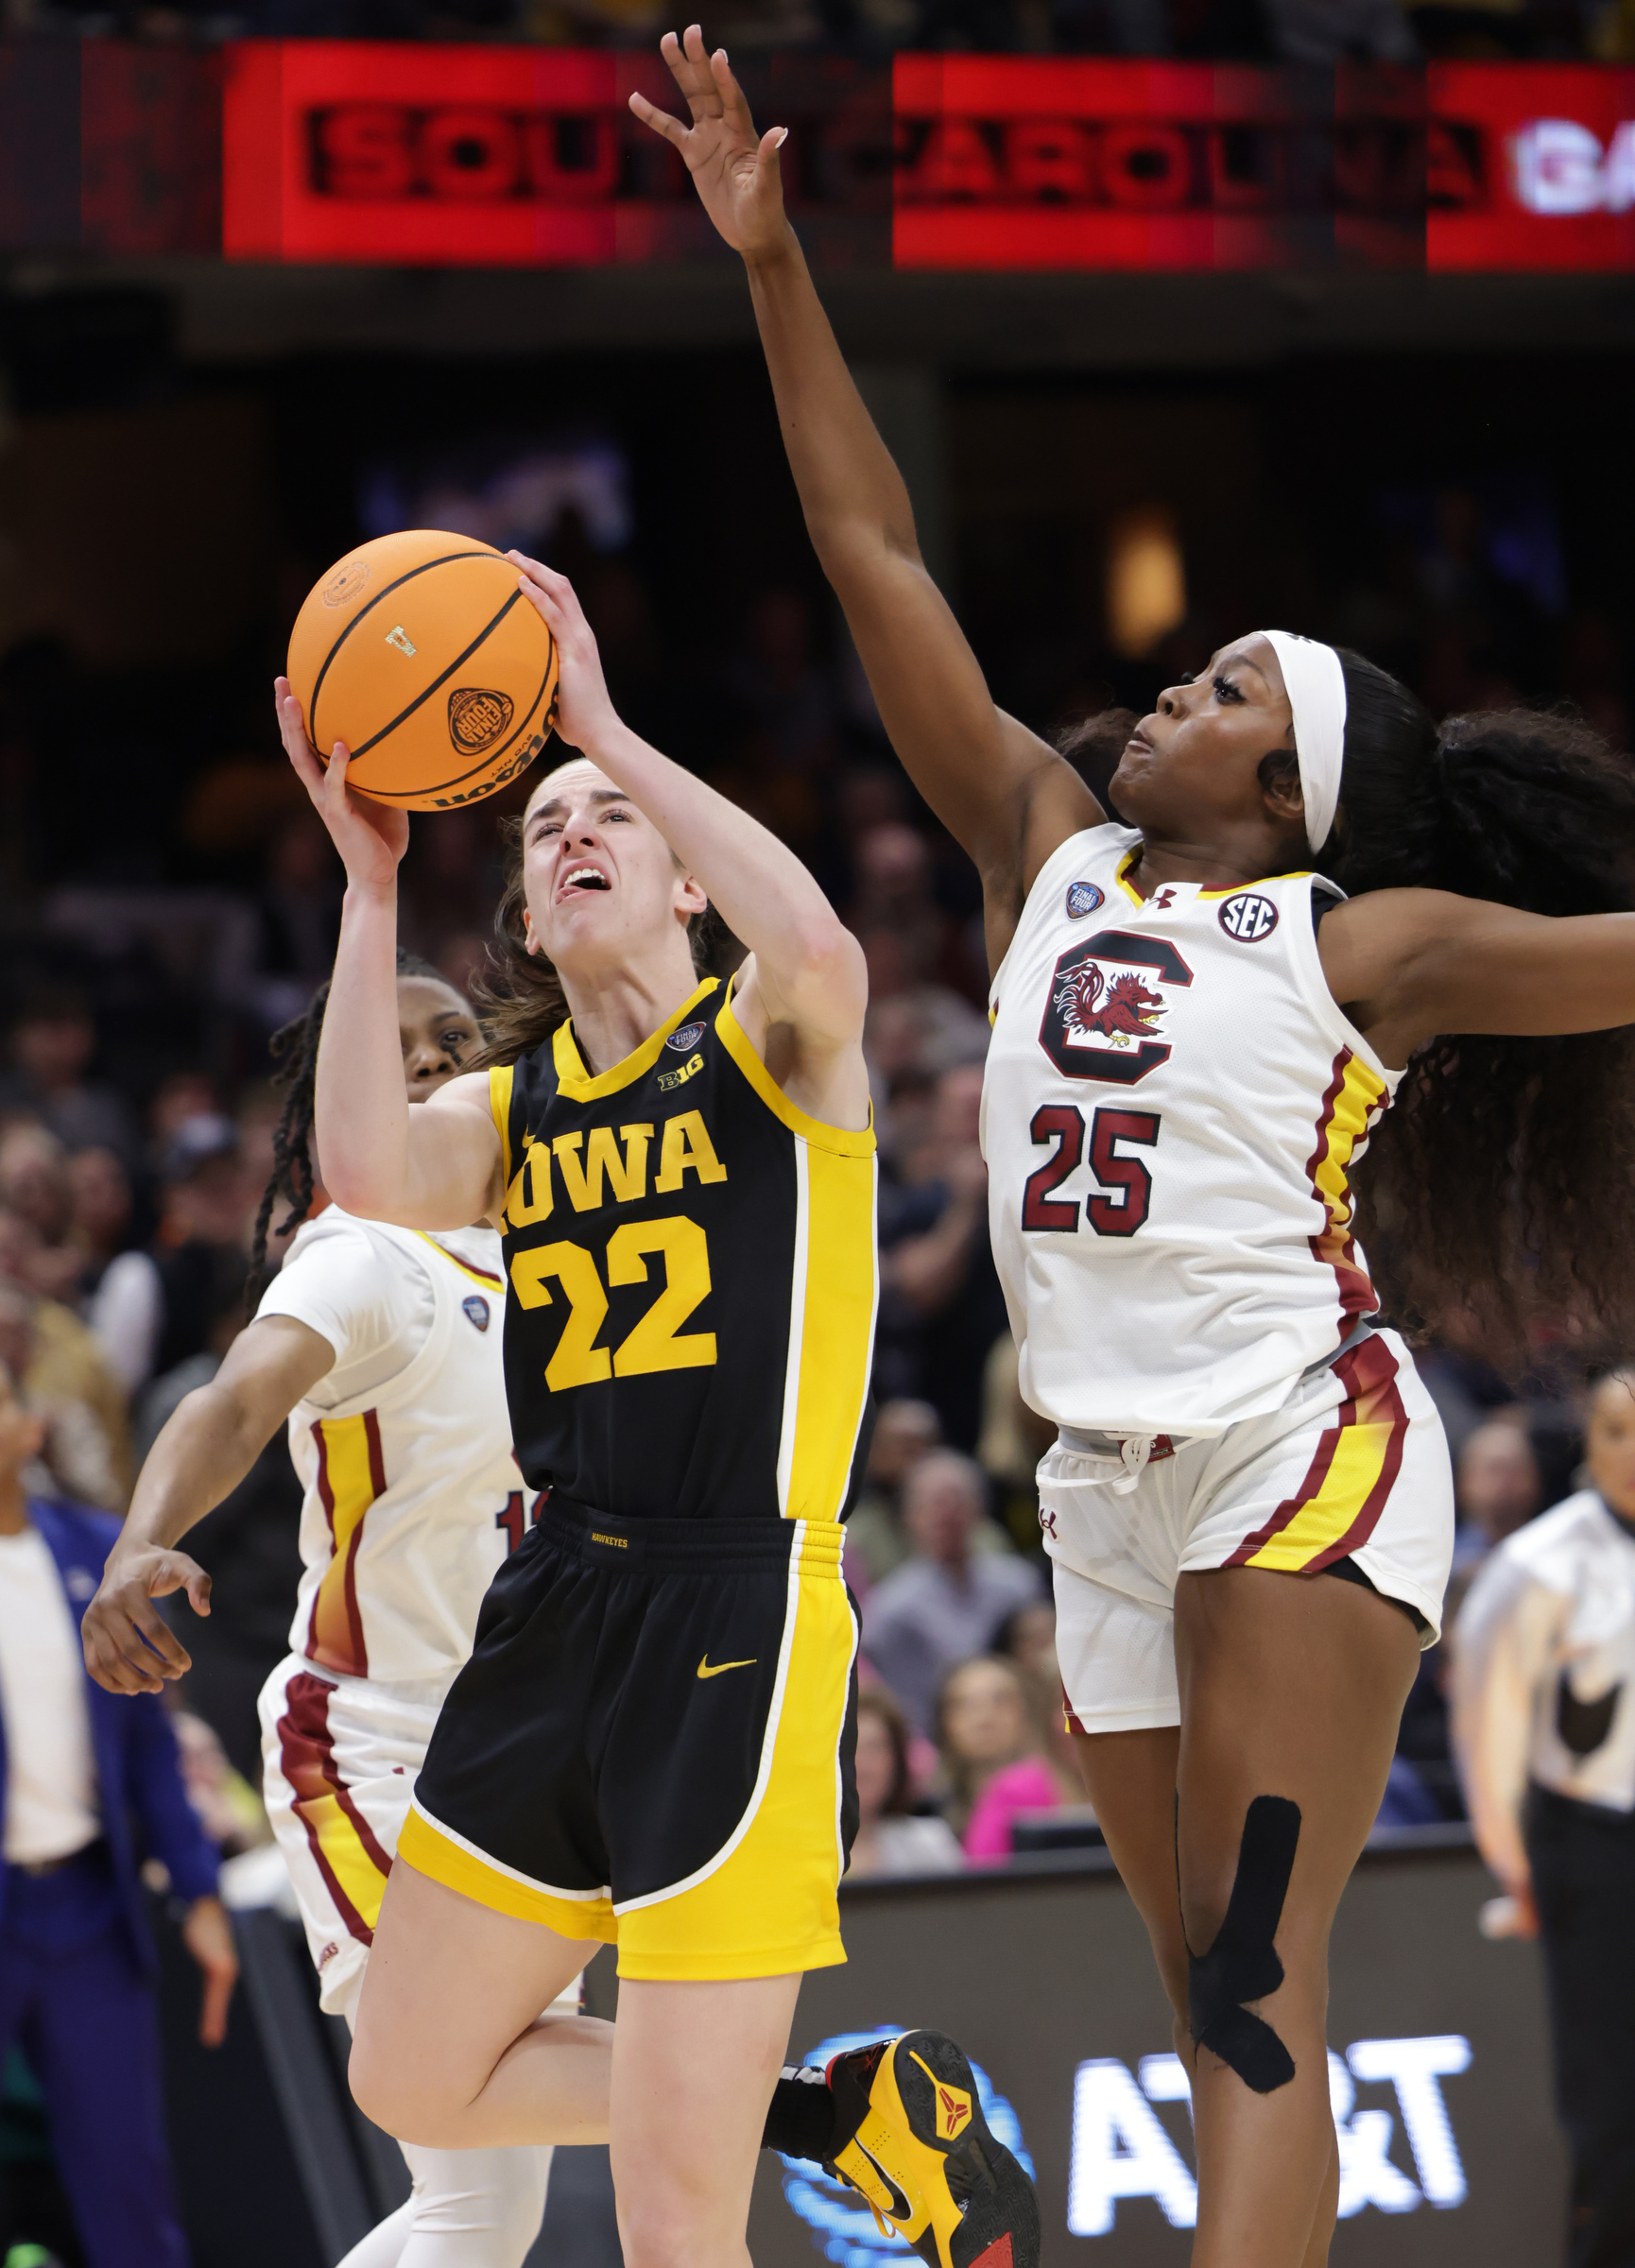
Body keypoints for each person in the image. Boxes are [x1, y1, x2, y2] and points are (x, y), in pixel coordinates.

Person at [636, 32, 1635, 2260]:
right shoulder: (1042, 845)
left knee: (1262, 1999)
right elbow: (868, 536)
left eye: (1233, 698)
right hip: (1093, 1476)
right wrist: (775, 262)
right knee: (1203, 2003)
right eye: (1196, 673)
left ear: (1294, 799)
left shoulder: (1376, 938)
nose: (1178, 690)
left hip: (1296, 1442)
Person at [268, 556, 1039, 2268]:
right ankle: (834, 2116)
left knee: (671, 2222)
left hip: (739, 1606)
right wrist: (370, 883)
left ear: (687, 883)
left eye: (611, 818)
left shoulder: (775, 1041)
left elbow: (826, 943)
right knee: (413, 2073)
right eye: (545, 831)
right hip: (553, 1605)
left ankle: (765, 2123)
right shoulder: (513, 1110)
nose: (573, 835)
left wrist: (602, 719)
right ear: (533, 918)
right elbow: (361, 1173)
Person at [81, 961, 561, 2268]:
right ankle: (807, 2103)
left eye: (450, 1037)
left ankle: (788, 2095)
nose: (422, 1056)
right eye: (389, 1041)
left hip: (538, 1758)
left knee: (477, 2210)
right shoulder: (362, 1252)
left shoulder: (572, 1266)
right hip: (382, 1752)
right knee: (470, 2144)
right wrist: (141, 1540)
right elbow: (230, 1403)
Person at [0, 1361, 237, 2268]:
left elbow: (146, 1751)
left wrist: (201, 1893)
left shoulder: (94, 1554)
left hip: (87, 1906)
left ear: (31, 1432)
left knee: (127, 2179)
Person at [1451, 1366, 1635, 2268]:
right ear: (1587, 1448)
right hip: (1598, 1845)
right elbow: (1489, 1736)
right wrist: (1517, 1868)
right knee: (1614, 2110)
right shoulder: (1538, 1568)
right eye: (1615, 1432)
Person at [862, 1450, 1041, 1733]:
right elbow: (897, 1704)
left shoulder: (1019, 1585)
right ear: (909, 1515)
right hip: (933, 1745)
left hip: (1023, 1733)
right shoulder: (889, 1610)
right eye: (934, 1503)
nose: (947, 1514)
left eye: (957, 1500)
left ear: (979, 1508)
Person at [848, 1689, 963, 1880]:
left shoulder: (929, 1843)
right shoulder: (792, 1849)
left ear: (897, 1762)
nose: (862, 1763)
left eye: (874, 1747)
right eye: (850, 1748)